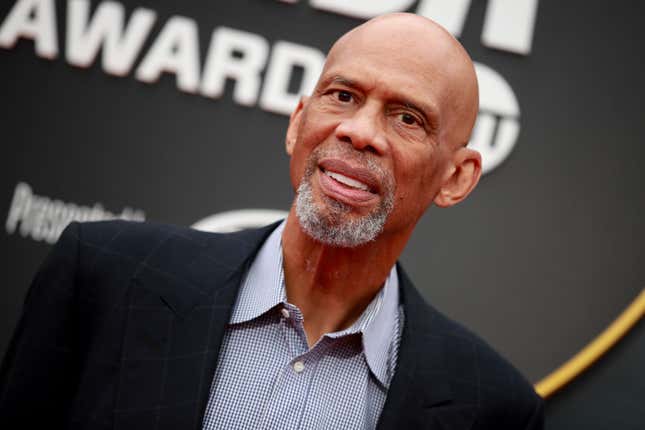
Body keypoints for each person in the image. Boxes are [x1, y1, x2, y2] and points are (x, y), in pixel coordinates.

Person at [0, 13, 543, 430]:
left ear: (457, 177)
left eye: (407, 118)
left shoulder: (492, 408)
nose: (359, 131)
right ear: (297, 123)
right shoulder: (102, 276)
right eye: (343, 95)